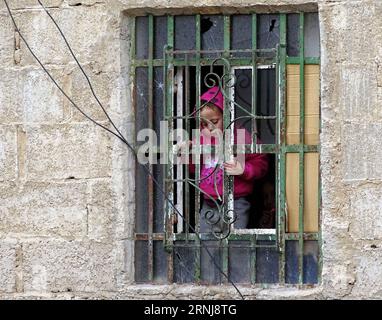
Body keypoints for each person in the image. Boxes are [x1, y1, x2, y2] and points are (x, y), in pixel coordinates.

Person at [182, 86, 269, 233]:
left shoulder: (241, 136)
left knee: (234, 244)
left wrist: (244, 169)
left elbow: (261, 162)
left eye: (214, 121)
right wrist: (188, 153)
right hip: (208, 204)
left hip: (236, 203)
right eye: (204, 123)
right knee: (205, 246)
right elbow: (193, 169)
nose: (209, 127)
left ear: (228, 116)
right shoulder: (201, 138)